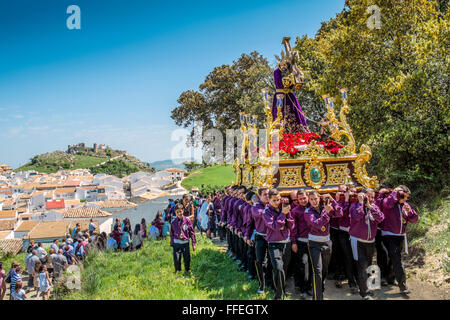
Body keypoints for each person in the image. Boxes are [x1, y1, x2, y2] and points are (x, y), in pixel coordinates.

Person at [380, 185, 418, 295]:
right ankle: (403, 285)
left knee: (393, 259)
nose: (405, 199)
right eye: (403, 196)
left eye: (407, 197)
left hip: (400, 236)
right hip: (388, 235)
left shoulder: (405, 205)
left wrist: (409, 212)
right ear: (397, 194)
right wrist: (395, 193)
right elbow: (387, 204)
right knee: (397, 258)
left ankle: (390, 278)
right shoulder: (388, 201)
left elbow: (414, 219)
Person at [305, 191, 343, 300]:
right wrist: (326, 213)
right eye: (311, 199)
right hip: (314, 244)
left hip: (327, 243)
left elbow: (339, 213)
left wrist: (333, 200)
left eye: (315, 198)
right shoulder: (308, 212)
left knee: (324, 270)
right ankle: (318, 297)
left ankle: (319, 288)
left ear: (319, 198)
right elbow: (317, 224)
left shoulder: (325, 208)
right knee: (317, 271)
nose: (314, 201)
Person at [349, 188, 384, 299]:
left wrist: (371, 207)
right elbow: (357, 216)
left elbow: (381, 218)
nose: (371, 199)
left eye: (373, 197)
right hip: (358, 241)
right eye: (368, 196)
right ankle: (364, 292)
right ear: (363, 196)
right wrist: (361, 204)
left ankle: (365, 287)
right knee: (362, 266)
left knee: (368, 266)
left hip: (370, 241)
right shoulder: (354, 206)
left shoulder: (374, 207)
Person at [262, 188, 295, 300]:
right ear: (269, 200)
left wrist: (287, 215)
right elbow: (275, 226)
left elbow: (291, 226)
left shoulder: (284, 208)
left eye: (278, 199)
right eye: (274, 200)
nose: (277, 202)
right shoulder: (266, 212)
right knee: (278, 268)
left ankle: (281, 290)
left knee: (284, 269)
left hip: (286, 242)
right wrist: (282, 215)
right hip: (274, 243)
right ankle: (278, 294)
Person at [271, 60, 309, 133]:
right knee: (279, 114)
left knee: (296, 113)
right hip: (280, 96)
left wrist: (298, 73)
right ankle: (279, 131)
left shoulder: (291, 71)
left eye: (285, 65)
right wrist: (291, 76)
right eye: (282, 65)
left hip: (290, 95)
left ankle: (299, 131)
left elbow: (297, 82)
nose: (283, 66)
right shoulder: (276, 71)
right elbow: (280, 83)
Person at [290, 190, 312, 299]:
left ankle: (311, 287)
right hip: (301, 242)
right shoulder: (295, 211)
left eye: (304, 198)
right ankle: (303, 288)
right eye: (300, 199)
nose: (303, 200)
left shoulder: (313, 207)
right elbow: (293, 228)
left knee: (313, 266)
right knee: (303, 264)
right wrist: (293, 242)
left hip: (313, 242)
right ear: (297, 200)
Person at [170, 203, 196, 274]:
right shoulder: (173, 222)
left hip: (185, 243)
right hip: (176, 243)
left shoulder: (187, 221)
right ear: (175, 212)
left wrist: (193, 243)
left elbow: (192, 232)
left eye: (180, 211)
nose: (179, 213)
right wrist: (172, 242)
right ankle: (178, 272)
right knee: (177, 259)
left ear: (183, 211)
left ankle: (187, 271)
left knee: (187, 259)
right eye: (177, 212)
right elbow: (171, 233)